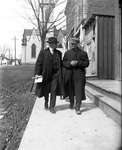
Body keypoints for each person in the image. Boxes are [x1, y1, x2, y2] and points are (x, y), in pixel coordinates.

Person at [34, 37, 63, 113]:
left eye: (54, 43)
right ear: (49, 44)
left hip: (55, 75)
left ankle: (52, 107)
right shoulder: (43, 52)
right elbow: (39, 64)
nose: (53, 45)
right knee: (46, 91)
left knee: (54, 90)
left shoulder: (59, 53)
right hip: (46, 75)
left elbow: (61, 64)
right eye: (51, 43)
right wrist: (37, 73)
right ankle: (46, 102)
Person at [63, 37, 89, 115]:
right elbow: (63, 62)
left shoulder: (83, 53)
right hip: (70, 74)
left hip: (79, 74)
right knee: (70, 89)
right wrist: (70, 63)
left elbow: (86, 63)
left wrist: (78, 63)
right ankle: (71, 102)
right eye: (72, 44)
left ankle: (78, 107)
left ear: (78, 44)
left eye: (74, 44)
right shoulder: (67, 53)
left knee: (79, 91)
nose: (73, 45)